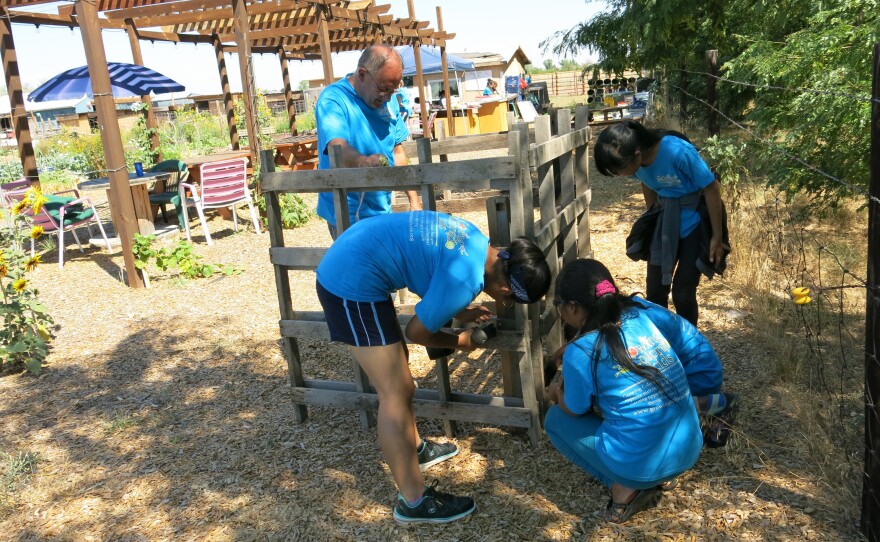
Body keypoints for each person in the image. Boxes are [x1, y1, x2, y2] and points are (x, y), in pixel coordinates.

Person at [316, 210, 551, 525]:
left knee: (404, 385)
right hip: (350, 283)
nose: (504, 304)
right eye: (509, 301)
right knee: (394, 393)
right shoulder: (466, 279)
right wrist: (460, 342)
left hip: (361, 260)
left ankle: (417, 449)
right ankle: (413, 501)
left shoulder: (478, 242)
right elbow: (417, 332)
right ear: (508, 291)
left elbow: (428, 269)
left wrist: (460, 311)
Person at [544, 258, 704, 524]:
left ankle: (625, 487)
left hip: (642, 463)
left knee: (555, 420)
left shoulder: (581, 351)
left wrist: (556, 394)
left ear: (571, 307)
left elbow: (575, 409)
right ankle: (660, 476)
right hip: (688, 448)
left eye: (557, 304)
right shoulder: (638, 316)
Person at [594, 121, 729, 327]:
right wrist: (652, 216)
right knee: (655, 291)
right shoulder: (636, 164)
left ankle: (689, 343)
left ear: (638, 155)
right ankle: (662, 342)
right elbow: (646, 181)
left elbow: (711, 189)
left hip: (696, 221)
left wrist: (716, 238)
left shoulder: (677, 152)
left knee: (683, 292)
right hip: (666, 222)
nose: (619, 175)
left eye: (619, 169)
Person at [315, 44, 422, 240]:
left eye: (393, 89)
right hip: (347, 212)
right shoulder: (334, 99)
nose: (388, 96)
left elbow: (397, 151)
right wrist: (363, 161)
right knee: (363, 268)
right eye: (383, 89)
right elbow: (336, 146)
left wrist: (414, 200)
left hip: (381, 207)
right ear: (363, 75)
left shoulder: (389, 100)